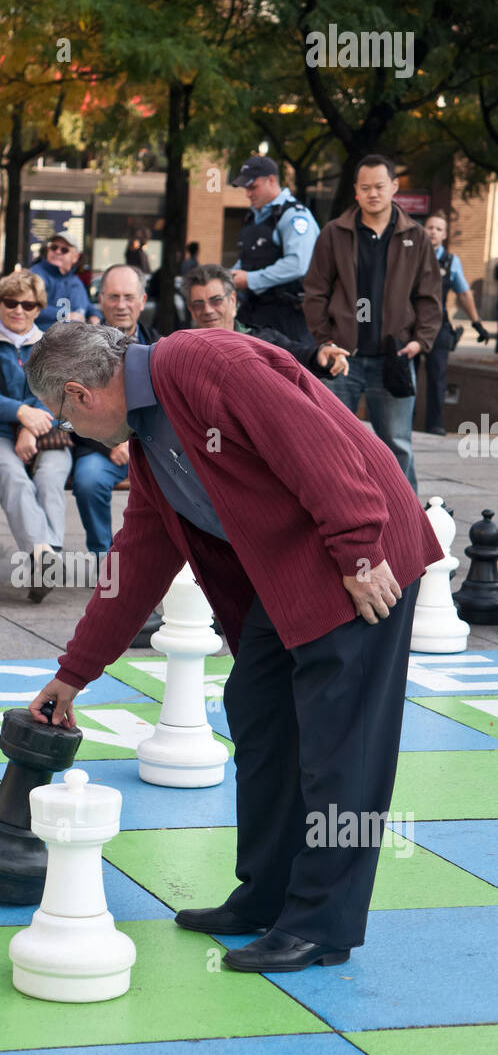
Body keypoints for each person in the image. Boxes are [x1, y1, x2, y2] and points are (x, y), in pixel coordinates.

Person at [24, 322, 442, 972]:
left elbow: (318, 443)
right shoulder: (152, 437)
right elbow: (135, 562)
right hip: (293, 570)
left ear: (79, 395)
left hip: (358, 559)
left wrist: (359, 550)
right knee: (258, 709)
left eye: (61, 416)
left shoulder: (200, 361)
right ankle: (267, 894)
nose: (69, 430)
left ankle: (320, 924)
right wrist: (74, 673)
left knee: (341, 743)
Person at [304, 154, 443, 491]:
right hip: (343, 359)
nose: (373, 194)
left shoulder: (416, 237)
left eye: (380, 186)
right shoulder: (334, 234)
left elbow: (429, 296)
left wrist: (420, 341)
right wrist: (324, 340)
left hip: (394, 358)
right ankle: (337, 516)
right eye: (365, 188)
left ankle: (408, 525)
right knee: (331, 445)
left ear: (394, 187)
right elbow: (315, 292)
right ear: (355, 191)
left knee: (397, 445)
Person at [0, 271, 71, 602]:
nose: (19, 310)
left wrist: (30, 427)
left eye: (28, 304)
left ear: (39, 308)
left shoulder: (50, 348)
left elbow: (58, 393)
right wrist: (21, 414)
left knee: (51, 478)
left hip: (47, 433)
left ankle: (44, 560)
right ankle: (43, 555)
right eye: (11, 302)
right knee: (13, 476)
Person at [71, 265, 159, 558]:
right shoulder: (79, 351)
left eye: (128, 297)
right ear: (101, 299)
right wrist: (111, 444)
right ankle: (104, 560)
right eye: (113, 297)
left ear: (143, 300)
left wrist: (139, 443)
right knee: (88, 481)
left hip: (154, 450)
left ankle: (159, 566)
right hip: (102, 448)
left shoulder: (162, 346)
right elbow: (68, 410)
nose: (121, 305)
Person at [184, 264, 350, 378]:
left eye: (216, 300)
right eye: (198, 304)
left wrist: (320, 355)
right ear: (190, 309)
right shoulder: (181, 350)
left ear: (232, 300)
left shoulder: (262, 339)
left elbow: (296, 354)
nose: (208, 310)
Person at [230, 156, 320, 338]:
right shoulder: (254, 217)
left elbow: (297, 264)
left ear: (271, 180)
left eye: (253, 187)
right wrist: (226, 277)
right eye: (246, 188)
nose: (248, 194)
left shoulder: (294, 216)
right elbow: (250, 259)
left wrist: (250, 280)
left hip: (288, 315)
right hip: (255, 311)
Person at [422, 212, 489, 434]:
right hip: (409, 324)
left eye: (438, 229)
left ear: (445, 234)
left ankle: (435, 424)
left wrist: (476, 323)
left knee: (438, 376)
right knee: (404, 376)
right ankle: (405, 421)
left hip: (438, 325)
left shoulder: (451, 261)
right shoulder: (411, 254)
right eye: (430, 227)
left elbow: (464, 293)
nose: (433, 232)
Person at [29, 234, 91, 330]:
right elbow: (29, 307)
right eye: (54, 247)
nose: (57, 252)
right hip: (43, 338)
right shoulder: (35, 275)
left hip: (75, 338)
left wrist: (95, 316)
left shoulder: (74, 279)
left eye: (64, 250)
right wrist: (66, 315)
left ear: (75, 257)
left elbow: (87, 305)